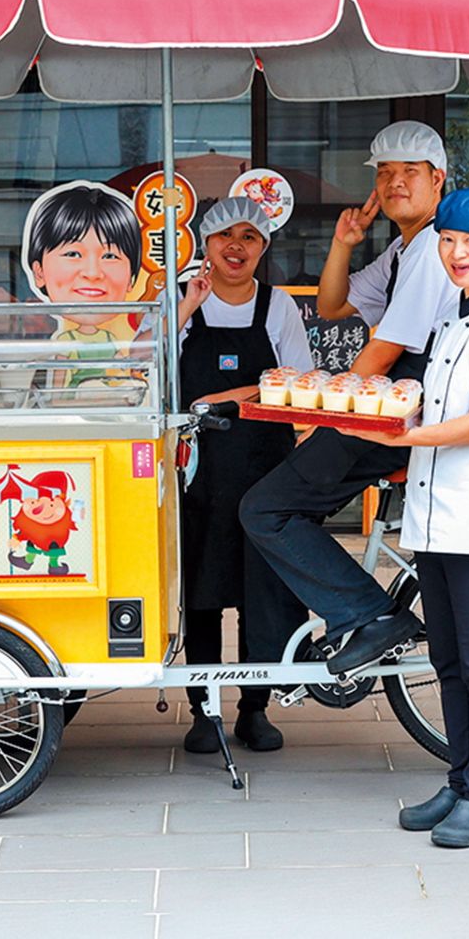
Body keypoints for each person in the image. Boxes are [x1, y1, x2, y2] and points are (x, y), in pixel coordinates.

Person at [340, 189, 469, 850]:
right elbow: (438, 408)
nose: (457, 253)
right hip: (434, 516)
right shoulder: (453, 317)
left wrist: (402, 437)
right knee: (448, 660)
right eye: (448, 240)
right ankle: (459, 780)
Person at [241, 121, 460, 677]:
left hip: (395, 414)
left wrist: (327, 416)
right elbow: (334, 305)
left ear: (438, 179)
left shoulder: (433, 248)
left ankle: (370, 615)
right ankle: (351, 616)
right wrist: (343, 242)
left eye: (409, 172)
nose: (394, 183)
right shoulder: (404, 248)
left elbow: (382, 353)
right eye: (384, 173)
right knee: (289, 508)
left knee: (265, 510)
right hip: (389, 408)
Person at [174, 197, 314, 753]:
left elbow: (298, 384)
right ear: (205, 244)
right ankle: (203, 711)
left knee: (261, 592)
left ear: (264, 247)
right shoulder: (183, 301)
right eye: (224, 236)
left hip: (264, 473)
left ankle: (254, 709)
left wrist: (226, 396)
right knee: (203, 594)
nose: (236, 246)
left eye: (249, 237)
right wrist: (187, 305)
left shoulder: (278, 306)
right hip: (198, 475)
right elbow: (148, 367)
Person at [21, 180, 143, 386]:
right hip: (75, 395)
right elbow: (59, 378)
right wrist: (56, 398)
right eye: (73, 254)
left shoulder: (110, 338)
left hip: (105, 395)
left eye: (110, 256)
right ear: (39, 272)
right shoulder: (65, 340)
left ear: (131, 278)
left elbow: (125, 363)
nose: (93, 273)